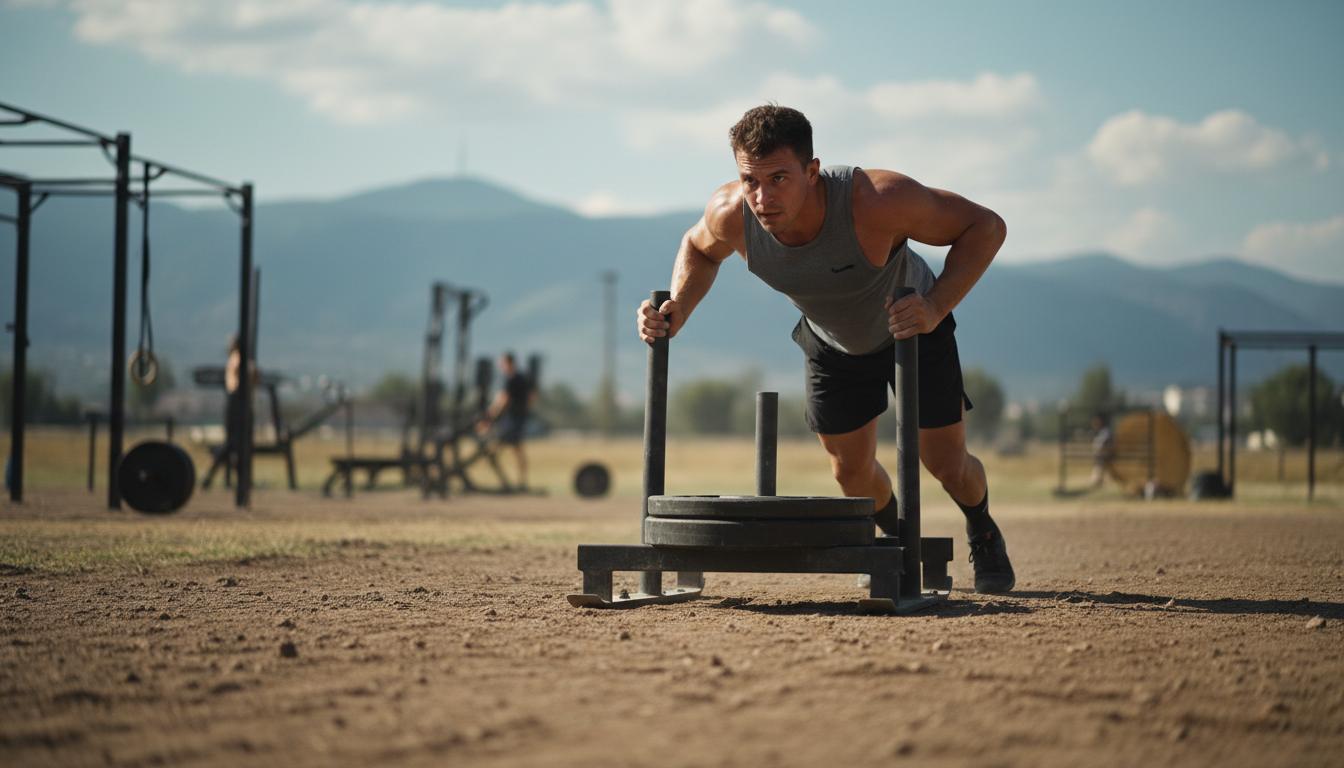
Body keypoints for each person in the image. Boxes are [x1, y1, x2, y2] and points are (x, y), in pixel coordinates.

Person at [636, 105, 1014, 593]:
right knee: (851, 472)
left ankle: (982, 529)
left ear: (812, 172)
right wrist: (679, 308)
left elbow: (985, 227)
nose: (762, 197)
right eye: (750, 180)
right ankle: (899, 541)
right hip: (832, 340)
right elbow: (699, 248)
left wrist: (936, 306)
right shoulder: (731, 213)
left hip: (913, 328)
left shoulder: (877, 200)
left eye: (778, 179)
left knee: (946, 465)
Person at [478, 352, 537, 489]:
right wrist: (524, 409)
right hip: (517, 419)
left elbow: (502, 400)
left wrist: (489, 418)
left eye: (502, 363)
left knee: (494, 450)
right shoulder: (522, 378)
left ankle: (508, 483)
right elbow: (532, 396)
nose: (500, 366)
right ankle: (520, 482)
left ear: (509, 363)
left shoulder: (511, 380)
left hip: (511, 420)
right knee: (517, 450)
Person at [1089, 412, 1116, 489]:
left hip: (1105, 459)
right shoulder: (1099, 433)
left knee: (1096, 480)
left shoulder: (1106, 433)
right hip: (1100, 460)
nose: (1094, 423)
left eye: (1096, 421)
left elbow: (1107, 446)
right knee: (1096, 479)